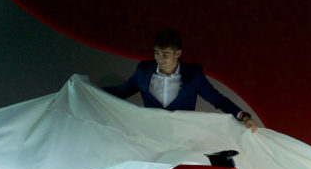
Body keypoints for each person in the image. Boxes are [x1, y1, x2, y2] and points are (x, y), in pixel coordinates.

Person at [103, 28, 259, 131]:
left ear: (178, 54)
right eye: (157, 53)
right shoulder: (144, 71)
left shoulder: (193, 75)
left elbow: (218, 100)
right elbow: (121, 91)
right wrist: (85, 88)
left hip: (183, 136)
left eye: (165, 55)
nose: (159, 59)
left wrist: (243, 117)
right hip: (150, 134)